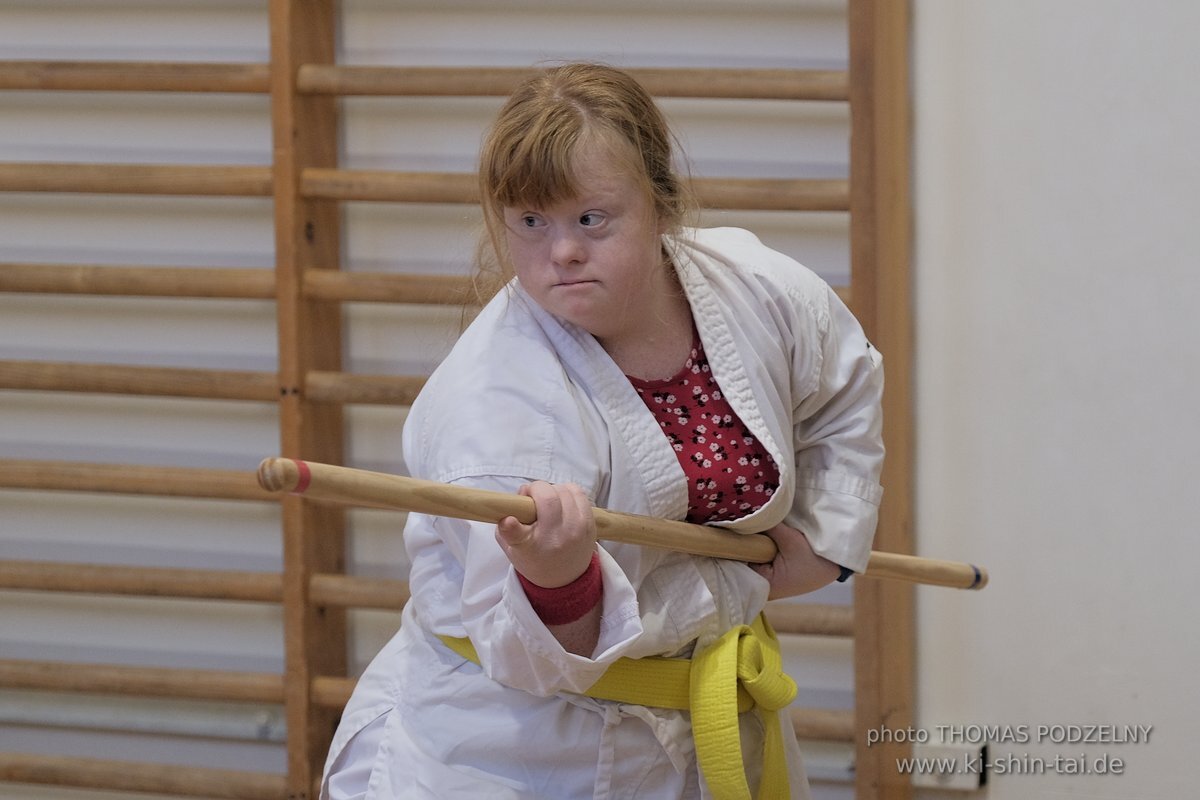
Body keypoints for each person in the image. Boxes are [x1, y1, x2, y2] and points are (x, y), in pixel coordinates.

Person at [320, 62, 884, 800]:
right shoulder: (491, 406)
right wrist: (558, 583)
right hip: (505, 751)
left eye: (592, 219)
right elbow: (528, 656)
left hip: (700, 717)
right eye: (531, 223)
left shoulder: (756, 287)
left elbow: (843, 385)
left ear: (661, 204)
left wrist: (823, 534)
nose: (562, 252)